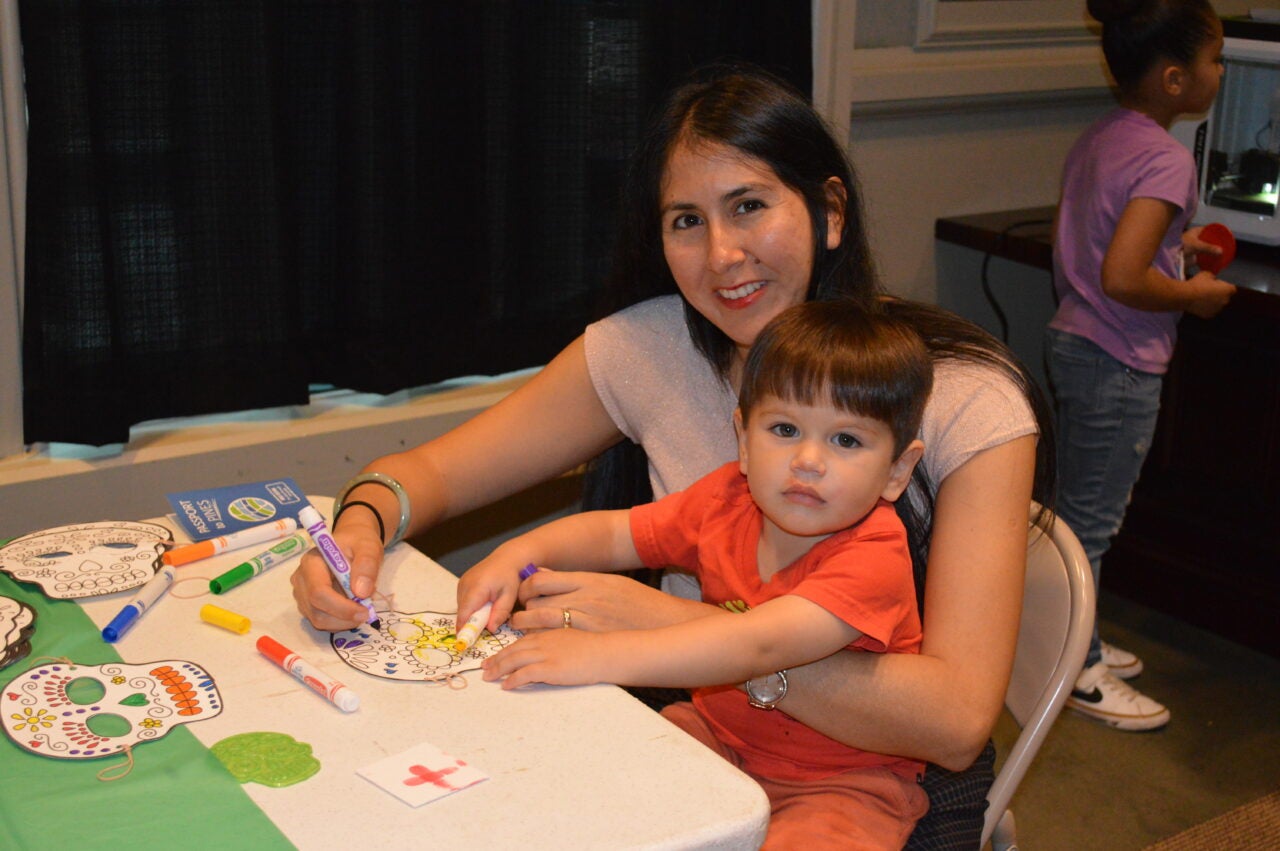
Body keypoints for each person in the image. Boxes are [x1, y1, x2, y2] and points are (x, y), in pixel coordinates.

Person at [292, 63, 1053, 849]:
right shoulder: (649, 347)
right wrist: (359, 522)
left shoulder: (967, 395)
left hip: (885, 786)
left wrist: (668, 623)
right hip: (712, 738)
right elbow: (434, 473)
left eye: (749, 206)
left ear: (829, 211)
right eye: (686, 220)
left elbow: (956, 723)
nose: (722, 254)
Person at [461, 301, 933, 849]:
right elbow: (618, 534)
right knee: (578, 792)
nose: (808, 459)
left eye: (846, 440)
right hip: (716, 733)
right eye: (784, 428)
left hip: (843, 785)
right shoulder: (725, 500)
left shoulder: (874, 554)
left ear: (898, 469)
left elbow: (756, 646)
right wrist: (517, 554)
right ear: (743, 439)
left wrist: (597, 654)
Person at [1048, 0, 1235, 732]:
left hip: (1076, 342)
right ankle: (1077, 670)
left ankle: (1072, 640)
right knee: (1090, 525)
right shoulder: (1167, 157)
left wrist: (1173, 253)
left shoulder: (1104, 136)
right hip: (1118, 357)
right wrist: (1194, 295)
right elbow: (1124, 277)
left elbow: (1106, 247)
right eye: (1216, 59)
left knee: (1073, 514)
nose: (1221, 72)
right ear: (1174, 78)